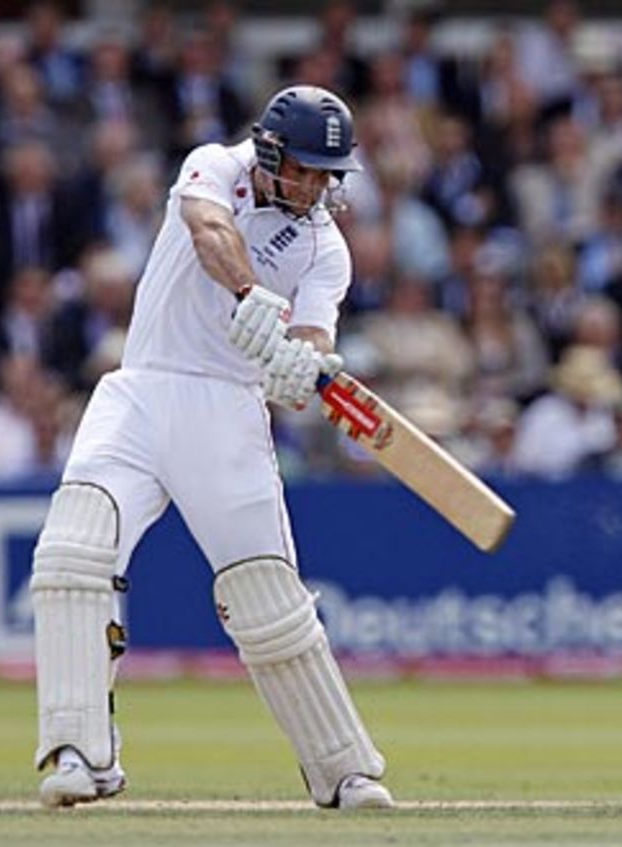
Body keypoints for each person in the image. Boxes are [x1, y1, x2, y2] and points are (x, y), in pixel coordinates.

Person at [29, 85, 393, 810]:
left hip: (227, 411)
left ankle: (343, 769)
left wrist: (303, 365)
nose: (318, 186)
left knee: (267, 595)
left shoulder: (327, 248)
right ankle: (80, 752)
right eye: (307, 169)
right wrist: (253, 295)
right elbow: (207, 230)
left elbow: (315, 339)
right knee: (73, 553)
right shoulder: (215, 165)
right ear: (269, 152)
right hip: (140, 391)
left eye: (330, 174)